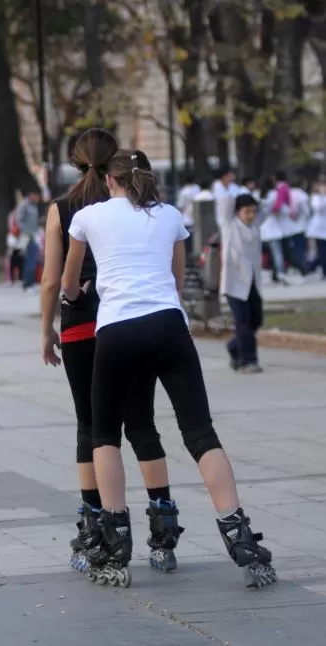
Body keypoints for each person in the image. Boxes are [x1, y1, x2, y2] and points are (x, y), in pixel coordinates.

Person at [61, 148, 276, 589]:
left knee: (104, 434)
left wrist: (75, 293)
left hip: (117, 332)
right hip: (168, 327)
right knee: (200, 432)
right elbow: (176, 284)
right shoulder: (173, 217)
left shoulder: (88, 218)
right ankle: (238, 534)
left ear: (110, 181)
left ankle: (116, 537)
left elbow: (68, 284)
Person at [40, 129, 177, 575]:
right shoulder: (135, 204)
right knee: (140, 422)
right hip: (131, 322)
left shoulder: (63, 210)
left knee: (91, 427)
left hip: (82, 326)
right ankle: (162, 528)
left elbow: (51, 277)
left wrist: (46, 329)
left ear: (75, 163)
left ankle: (96, 525)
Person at [220, 193, 267, 373]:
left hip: (253, 282)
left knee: (256, 319)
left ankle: (234, 346)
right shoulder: (229, 225)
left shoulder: (255, 226)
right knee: (243, 322)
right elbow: (225, 202)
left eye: (253, 212)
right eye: (247, 212)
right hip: (234, 283)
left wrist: (257, 197)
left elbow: (267, 208)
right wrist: (240, 190)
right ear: (237, 211)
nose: (251, 215)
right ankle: (248, 360)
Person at [259, 178, 287, 284]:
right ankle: (280, 274)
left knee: (260, 253)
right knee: (277, 253)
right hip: (273, 227)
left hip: (262, 228)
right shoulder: (275, 194)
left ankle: (262, 273)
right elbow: (280, 209)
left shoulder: (259, 195)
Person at [15, 189, 43, 291]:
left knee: (33, 259)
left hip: (33, 235)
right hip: (27, 236)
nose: (38, 199)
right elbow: (18, 220)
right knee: (30, 260)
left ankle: (30, 283)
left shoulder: (33, 206)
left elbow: (33, 221)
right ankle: (27, 284)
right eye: (37, 196)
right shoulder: (24, 205)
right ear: (31, 195)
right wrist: (25, 231)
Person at [307, 178, 326, 277]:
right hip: (318, 229)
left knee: (323, 251)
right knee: (322, 250)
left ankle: (312, 266)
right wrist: (322, 196)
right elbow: (317, 208)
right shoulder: (315, 198)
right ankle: (322, 270)